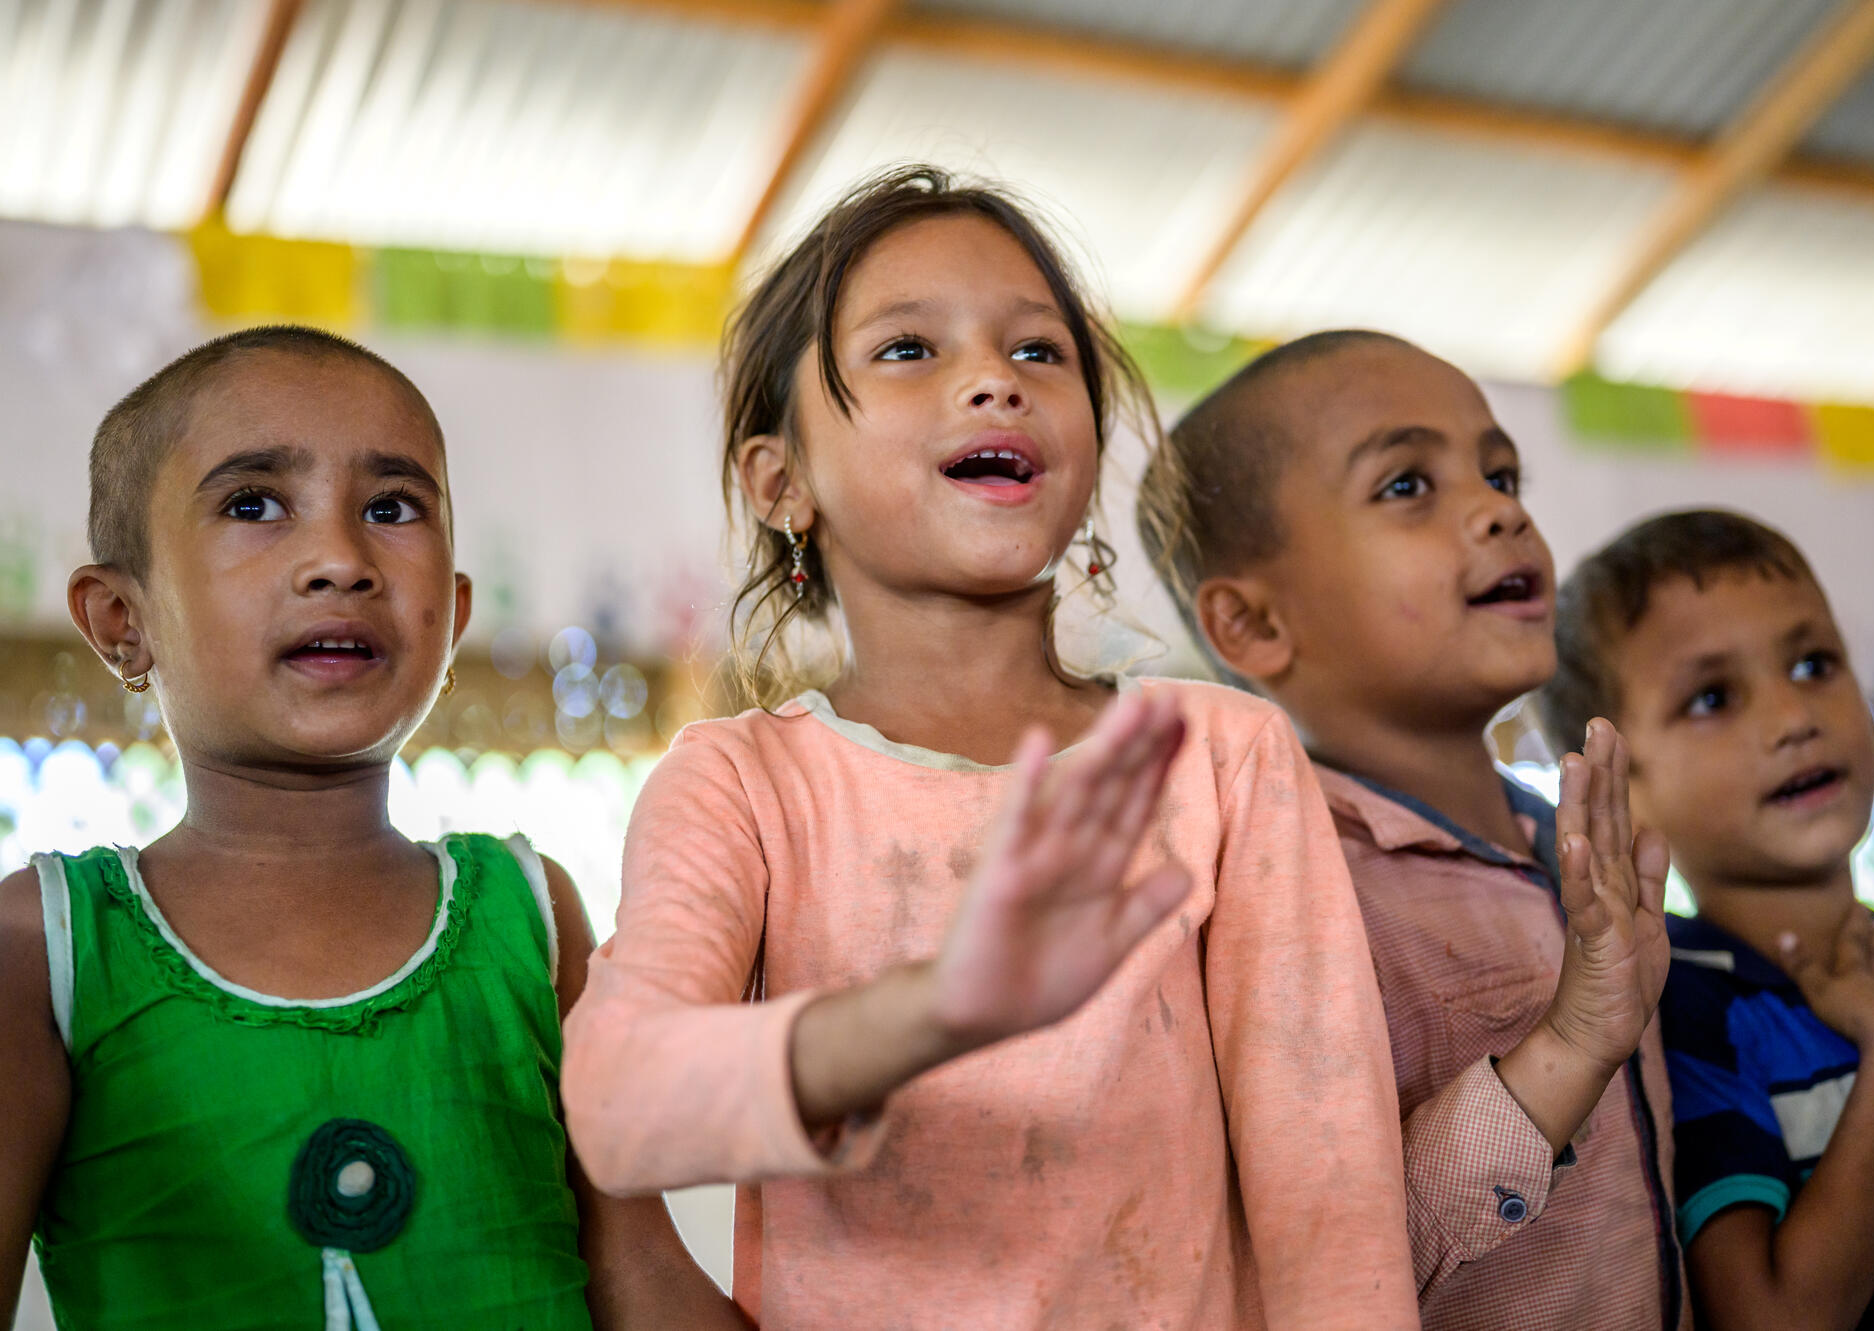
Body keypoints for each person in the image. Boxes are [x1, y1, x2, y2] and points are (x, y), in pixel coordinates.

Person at [559, 167, 1417, 1329]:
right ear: (783, 481)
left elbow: (1329, 1196)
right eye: (907, 349)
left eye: (1038, 353)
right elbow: (616, 1105)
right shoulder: (741, 784)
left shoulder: (1221, 757)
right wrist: (940, 1007)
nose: (991, 382)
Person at [0, 326, 741, 1330]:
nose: (340, 559)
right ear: (121, 619)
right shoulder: (46, 948)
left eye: (391, 508)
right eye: (252, 503)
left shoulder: (529, 915)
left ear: (453, 609)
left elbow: (638, 1272)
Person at [1137, 330, 1687, 1330]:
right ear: (1253, 625)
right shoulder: (1279, 898)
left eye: (1498, 469)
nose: (1499, 508)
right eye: (1405, 486)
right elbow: (1305, 1277)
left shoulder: (1574, 845)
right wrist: (1566, 1046)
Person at [1542, 508, 1874, 1330]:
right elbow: (1774, 1318)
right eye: (1713, 696)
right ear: (1622, 784)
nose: (1795, 716)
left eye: (1816, 662)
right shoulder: (1671, 1016)